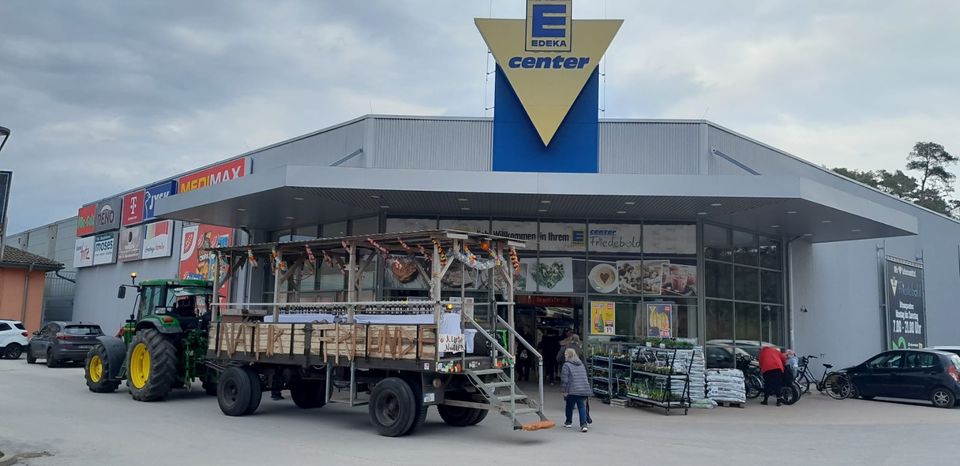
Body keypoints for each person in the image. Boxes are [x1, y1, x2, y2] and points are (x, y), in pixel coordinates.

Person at [560, 348, 593, 432]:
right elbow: (584, 377)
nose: (564, 356)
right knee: (581, 406)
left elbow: (565, 379)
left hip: (572, 390)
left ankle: (568, 422)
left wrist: (564, 391)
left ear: (569, 355)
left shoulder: (566, 365)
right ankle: (583, 424)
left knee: (569, 406)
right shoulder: (581, 364)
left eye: (565, 354)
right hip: (582, 389)